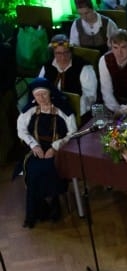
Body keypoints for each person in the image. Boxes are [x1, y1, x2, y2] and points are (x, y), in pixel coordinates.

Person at [16, 78, 76, 229]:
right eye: (38, 95)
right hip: (36, 149)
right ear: (34, 97)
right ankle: (35, 212)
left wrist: (55, 147)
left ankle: (55, 206)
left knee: (50, 169)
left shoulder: (63, 110)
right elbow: (21, 131)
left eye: (44, 94)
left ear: (50, 94)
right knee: (32, 170)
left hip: (57, 149)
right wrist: (33, 145)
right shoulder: (29, 110)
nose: (41, 98)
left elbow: (73, 132)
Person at [40, 34, 98, 119]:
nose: (63, 57)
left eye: (66, 52)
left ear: (71, 51)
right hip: (51, 111)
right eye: (58, 53)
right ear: (53, 53)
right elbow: (39, 87)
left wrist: (74, 114)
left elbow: (90, 97)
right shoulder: (47, 66)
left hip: (77, 113)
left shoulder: (84, 67)